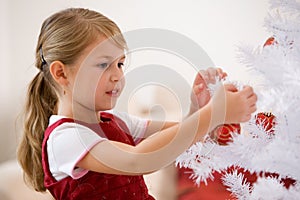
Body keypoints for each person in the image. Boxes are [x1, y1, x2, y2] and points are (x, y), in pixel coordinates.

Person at [17, 8, 257, 200]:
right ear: (62, 74)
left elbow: (177, 141)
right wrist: (213, 114)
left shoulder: (119, 122)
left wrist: (199, 110)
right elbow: (138, 159)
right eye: (103, 65)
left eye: (120, 64)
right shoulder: (65, 138)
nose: (117, 75)